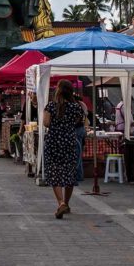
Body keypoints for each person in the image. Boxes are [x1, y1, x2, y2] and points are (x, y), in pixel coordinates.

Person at [43, 80, 86, 219]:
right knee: (69, 172)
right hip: (69, 141)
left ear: (58, 91)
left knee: (54, 171)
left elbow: (46, 123)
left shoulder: (50, 106)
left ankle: (61, 203)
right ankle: (66, 203)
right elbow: (80, 121)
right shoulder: (76, 107)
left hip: (53, 141)